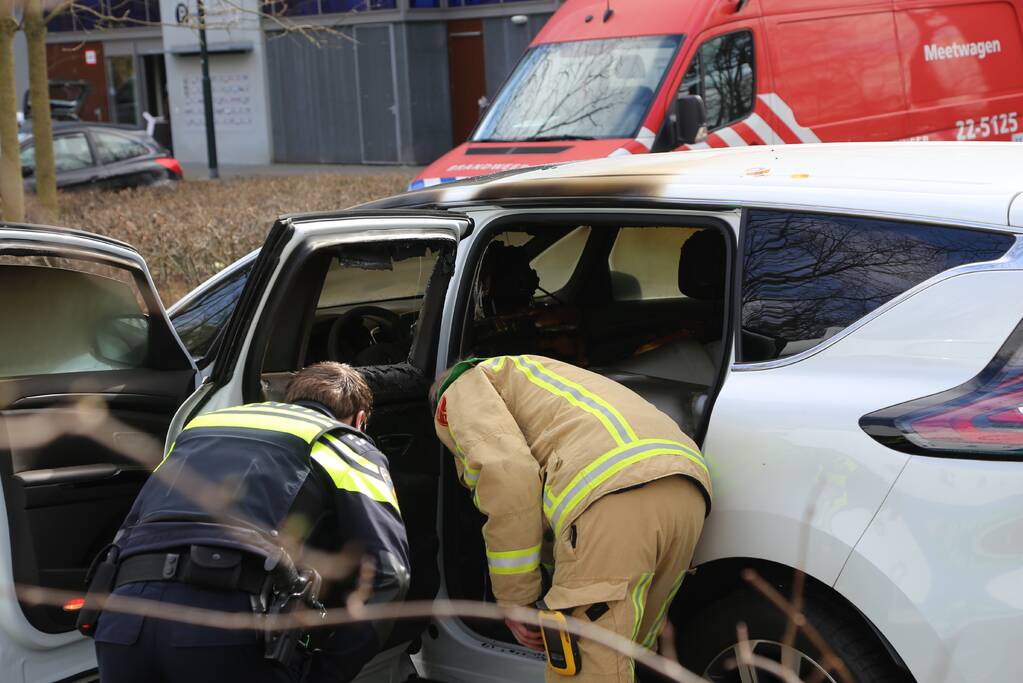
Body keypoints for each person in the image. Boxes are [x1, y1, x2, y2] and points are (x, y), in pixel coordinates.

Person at [89, 362, 410, 683]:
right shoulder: (342, 442)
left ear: (288, 400)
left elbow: (130, 528)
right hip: (223, 627)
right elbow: (390, 574)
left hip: (124, 620)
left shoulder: (201, 427)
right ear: (360, 420)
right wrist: (327, 672)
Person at [432, 355, 712, 682]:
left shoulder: (462, 387)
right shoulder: (540, 376)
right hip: (686, 488)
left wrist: (515, 600)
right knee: (632, 658)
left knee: (588, 669)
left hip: (613, 497)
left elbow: (509, 478)